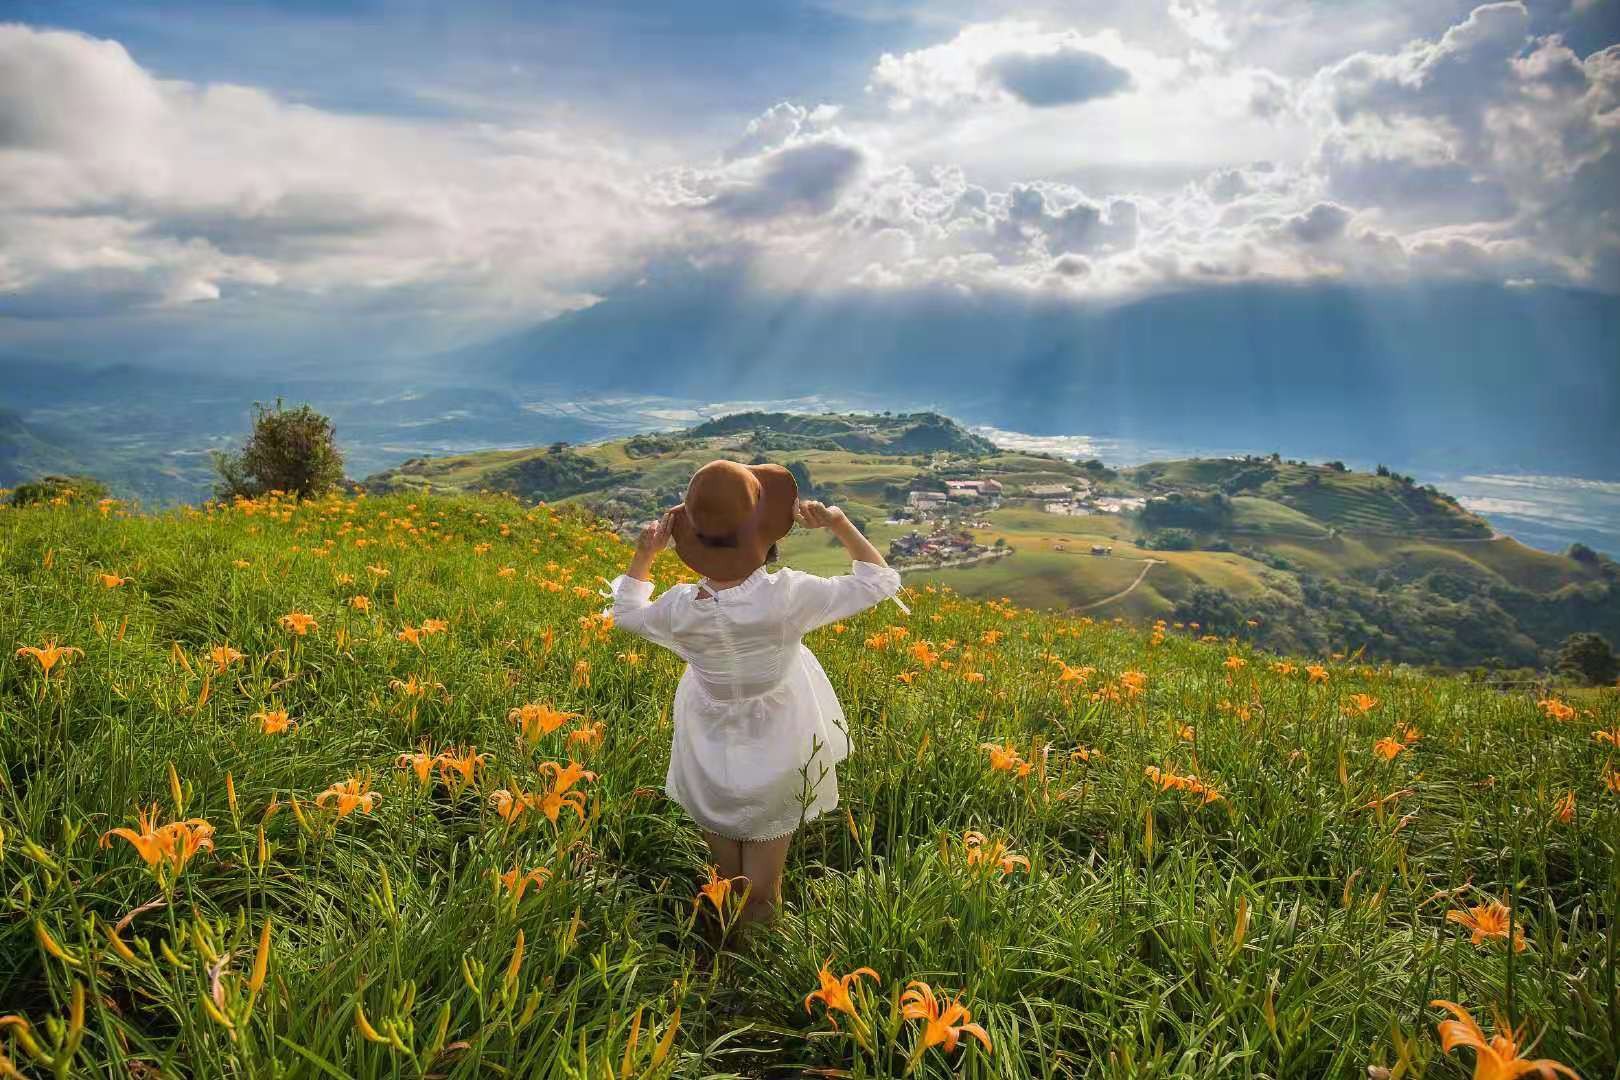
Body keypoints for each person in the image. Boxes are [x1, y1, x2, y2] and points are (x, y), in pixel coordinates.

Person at [605, 459, 903, 925]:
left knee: (726, 880)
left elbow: (626, 612)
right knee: (763, 889)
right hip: (780, 738)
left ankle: (720, 953)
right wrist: (839, 524)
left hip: (707, 742)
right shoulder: (787, 596)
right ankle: (752, 973)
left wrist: (644, 554)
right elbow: (880, 581)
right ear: (767, 535)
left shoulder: (680, 608)